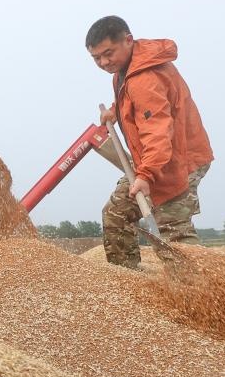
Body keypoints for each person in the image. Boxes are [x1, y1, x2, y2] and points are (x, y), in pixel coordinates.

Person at [86, 15, 214, 268]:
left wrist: (145, 175)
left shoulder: (145, 78)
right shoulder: (127, 69)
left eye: (108, 54)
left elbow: (157, 130)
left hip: (176, 161)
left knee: (173, 234)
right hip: (154, 159)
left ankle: (199, 295)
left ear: (128, 40)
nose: (103, 62)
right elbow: (137, 104)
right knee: (117, 213)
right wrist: (115, 111)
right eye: (96, 58)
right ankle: (129, 283)